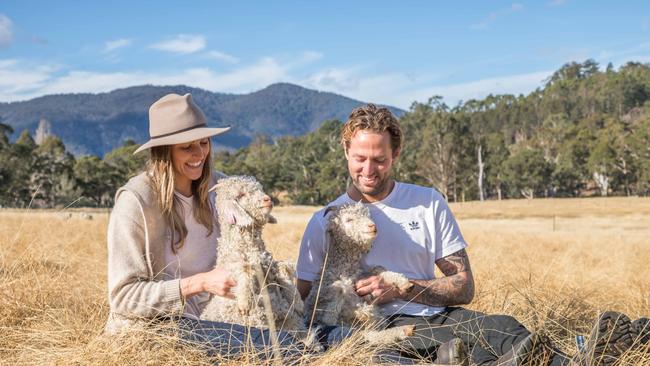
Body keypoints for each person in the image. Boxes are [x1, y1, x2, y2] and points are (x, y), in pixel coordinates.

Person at [296, 104, 642, 365]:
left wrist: (406, 287)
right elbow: (300, 303)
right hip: (375, 329)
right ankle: (590, 357)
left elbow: (464, 286)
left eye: (379, 160)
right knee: (477, 345)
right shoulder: (326, 220)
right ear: (345, 151)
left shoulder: (426, 202)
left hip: (433, 314)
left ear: (396, 154)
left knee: (504, 327)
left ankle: (595, 353)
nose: (368, 170)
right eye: (359, 158)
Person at [105, 93, 306, 361]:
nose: (199, 154)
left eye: (204, 142)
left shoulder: (220, 190)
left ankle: (372, 348)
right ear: (163, 151)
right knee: (285, 348)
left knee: (313, 333)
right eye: (187, 147)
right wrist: (199, 283)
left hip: (221, 318)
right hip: (163, 330)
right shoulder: (136, 202)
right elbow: (123, 298)